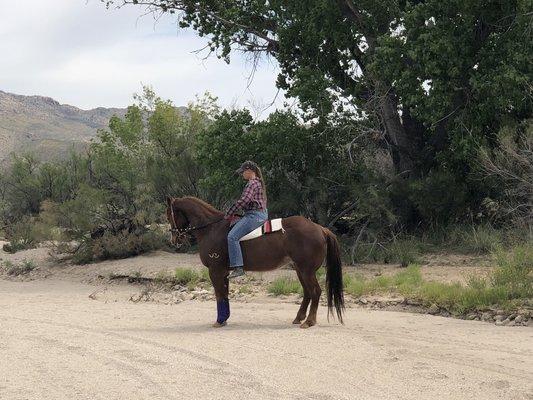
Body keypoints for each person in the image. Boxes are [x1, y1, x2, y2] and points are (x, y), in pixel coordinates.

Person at [225, 160, 268, 278]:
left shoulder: (252, 183)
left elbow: (245, 200)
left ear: (249, 171)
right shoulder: (257, 182)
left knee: (232, 236)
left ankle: (238, 267)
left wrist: (229, 213)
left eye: (243, 172)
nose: (242, 174)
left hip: (255, 216)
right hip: (259, 214)